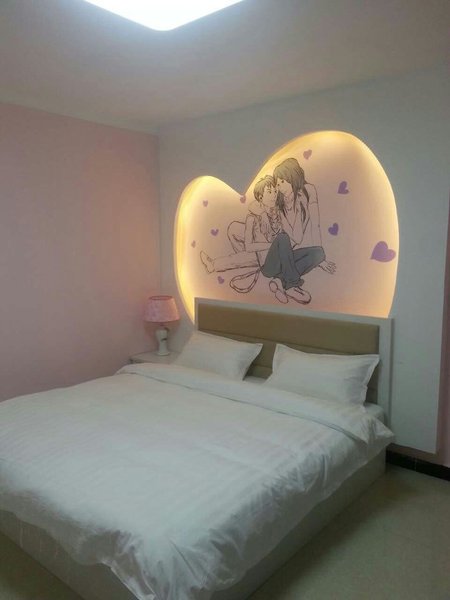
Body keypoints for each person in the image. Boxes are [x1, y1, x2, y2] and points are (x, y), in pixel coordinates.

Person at [260, 157, 336, 304]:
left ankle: (280, 281)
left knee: (319, 253)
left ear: (292, 178)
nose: (280, 187)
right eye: (278, 183)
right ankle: (291, 285)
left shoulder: (306, 193)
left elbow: (315, 224)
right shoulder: (277, 202)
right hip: (272, 263)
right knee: (283, 238)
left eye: (283, 182)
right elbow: (294, 237)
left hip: (286, 259)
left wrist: (319, 260)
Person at [200, 175, 281, 291]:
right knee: (234, 229)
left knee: (249, 254)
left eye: (275, 191)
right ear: (260, 197)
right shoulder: (252, 217)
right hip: (262, 248)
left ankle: (214, 265)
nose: (274, 195)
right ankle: (244, 260)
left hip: (268, 256)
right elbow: (249, 246)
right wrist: (271, 245)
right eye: (269, 192)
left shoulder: (277, 212)